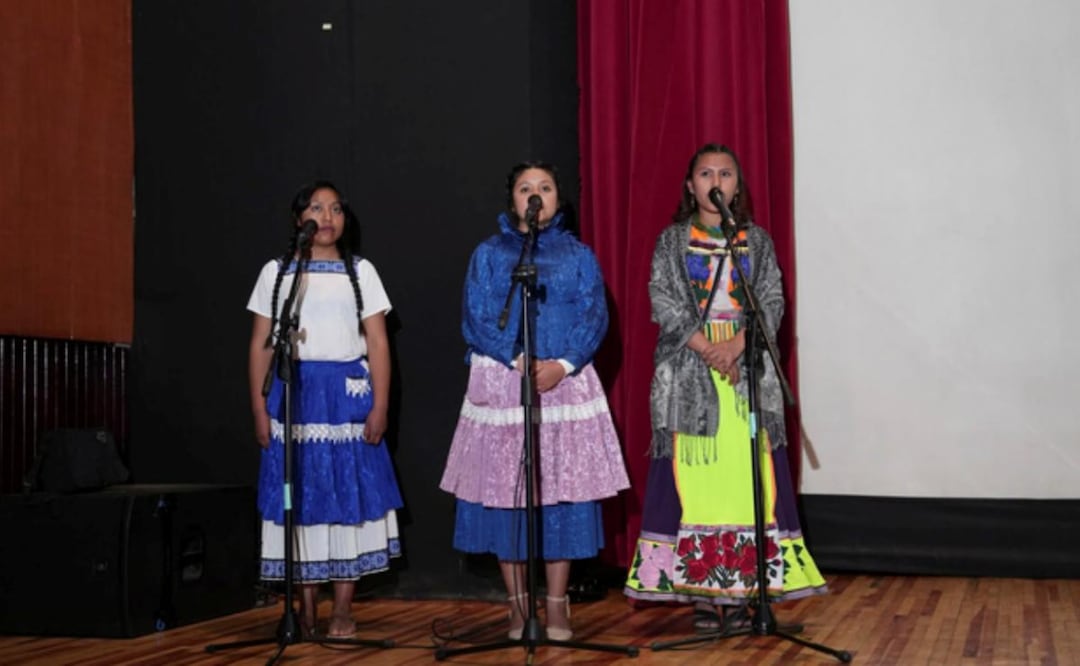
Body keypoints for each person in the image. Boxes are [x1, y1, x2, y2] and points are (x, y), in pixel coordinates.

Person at [623, 144, 827, 632]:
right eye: (705, 173)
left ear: (738, 185)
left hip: (746, 371)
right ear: (690, 184)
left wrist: (737, 345)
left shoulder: (755, 241)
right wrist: (708, 348)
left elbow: (772, 299)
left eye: (726, 173)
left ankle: (743, 592)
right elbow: (664, 300)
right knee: (698, 485)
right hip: (690, 371)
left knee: (746, 483)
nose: (716, 180)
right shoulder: (671, 242)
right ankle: (700, 593)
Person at [440, 162, 630, 641]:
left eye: (545, 187)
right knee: (508, 495)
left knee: (560, 495)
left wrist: (563, 365)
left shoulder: (579, 255)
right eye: (526, 188)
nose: (536, 194)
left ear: (557, 199)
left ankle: (558, 604)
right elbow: (476, 317)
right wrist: (518, 359)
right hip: (507, 381)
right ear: (512, 202)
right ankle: (517, 607)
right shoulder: (488, 254)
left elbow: (594, 315)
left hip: (563, 385)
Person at [247, 181, 403, 639]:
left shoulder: (362, 272)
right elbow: (260, 343)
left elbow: (377, 341)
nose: (327, 216)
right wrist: (259, 409)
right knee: (303, 495)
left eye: (336, 208)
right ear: (300, 218)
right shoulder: (277, 273)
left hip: (347, 397)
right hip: (295, 394)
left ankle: (343, 609)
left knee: (346, 497)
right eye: (317, 208)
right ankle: (304, 606)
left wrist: (381, 404)